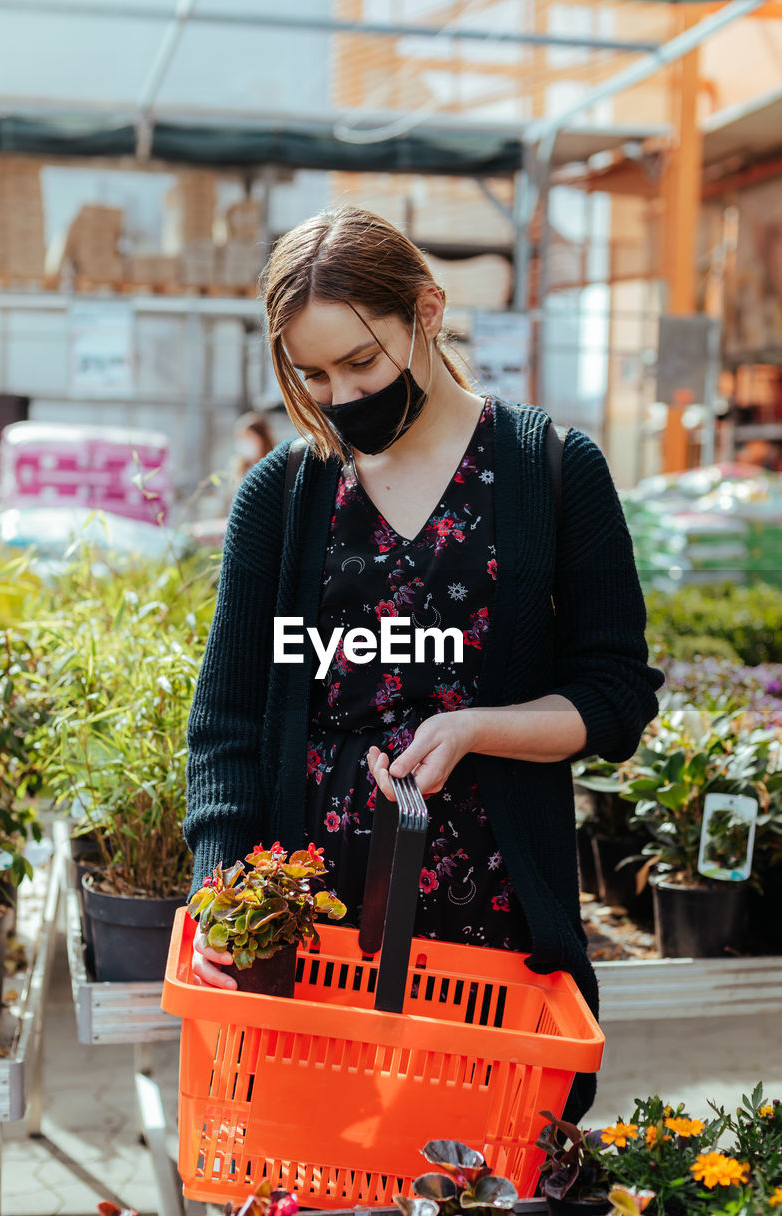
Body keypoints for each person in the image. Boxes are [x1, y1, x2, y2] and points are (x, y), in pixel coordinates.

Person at [183, 206, 663, 1121]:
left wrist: (477, 728)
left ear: (429, 311)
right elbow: (227, 729)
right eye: (314, 374)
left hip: (495, 926)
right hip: (309, 926)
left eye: (361, 362)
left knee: (484, 1197)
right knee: (315, 1176)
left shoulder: (549, 473)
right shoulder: (283, 498)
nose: (341, 394)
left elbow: (614, 694)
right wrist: (222, 895)